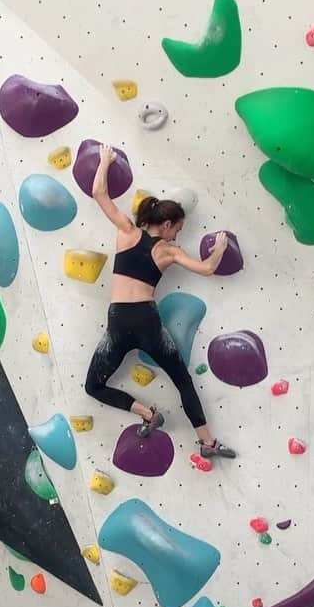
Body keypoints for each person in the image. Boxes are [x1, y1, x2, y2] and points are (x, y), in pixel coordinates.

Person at [84, 146, 236, 459]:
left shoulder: (127, 231)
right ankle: (207, 442)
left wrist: (104, 160)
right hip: (147, 321)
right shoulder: (167, 251)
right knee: (182, 381)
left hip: (118, 322)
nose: (177, 237)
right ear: (166, 225)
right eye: (178, 230)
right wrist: (219, 247)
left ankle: (148, 413)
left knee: (94, 387)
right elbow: (207, 268)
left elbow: (99, 192)